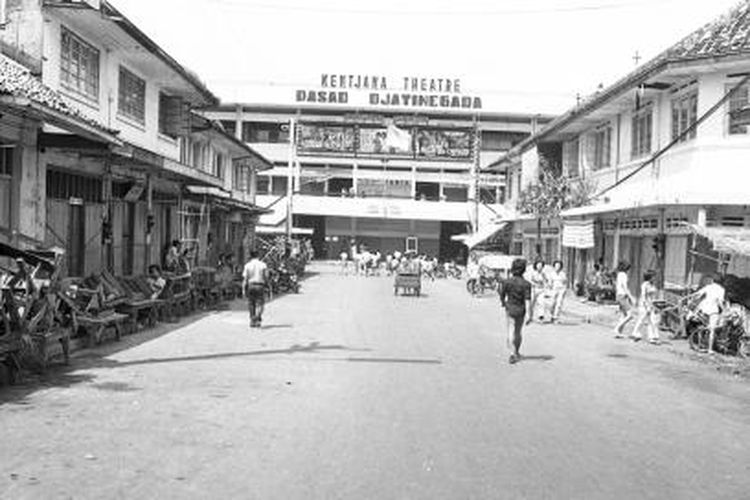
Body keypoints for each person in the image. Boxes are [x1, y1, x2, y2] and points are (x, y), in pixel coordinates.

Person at [499, 258, 532, 364]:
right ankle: (516, 352)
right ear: (524, 270)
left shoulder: (506, 282)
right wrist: (529, 315)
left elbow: (502, 294)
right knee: (518, 331)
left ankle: (512, 353)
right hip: (521, 309)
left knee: (510, 329)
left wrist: (503, 302)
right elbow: (528, 300)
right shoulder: (526, 284)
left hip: (510, 308)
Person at [695, 274, 726, 354]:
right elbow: (720, 302)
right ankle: (710, 349)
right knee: (712, 330)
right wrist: (724, 310)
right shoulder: (721, 290)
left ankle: (700, 345)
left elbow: (698, 294)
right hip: (713, 310)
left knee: (703, 327)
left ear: (713, 280)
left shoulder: (708, 287)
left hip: (704, 309)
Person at [631, 270, 660, 344]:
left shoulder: (652, 285)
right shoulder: (645, 285)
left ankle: (651, 337)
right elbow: (643, 296)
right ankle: (635, 333)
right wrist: (646, 306)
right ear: (649, 277)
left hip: (651, 305)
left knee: (652, 321)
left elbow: (653, 296)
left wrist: (654, 305)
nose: (655, 278)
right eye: (653, 276)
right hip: (644, 305)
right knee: (642, 319)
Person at [242, 249, 269, 328]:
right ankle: (257, 317)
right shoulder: (263, 265)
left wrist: (243, 289)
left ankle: (252, 320)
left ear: (250, 256)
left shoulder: (247, 265)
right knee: (260, 303)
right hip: (260, 285)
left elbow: (245, 278)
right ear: (258, 255)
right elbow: (266, 276)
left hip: (251, 285)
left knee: (251, 303)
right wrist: (268, 284)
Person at [613, 261, 637, 338]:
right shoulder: (623, 275)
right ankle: (617, 328)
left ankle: (619, 332)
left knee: (624, 315)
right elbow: (625, 287)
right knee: (630, 315)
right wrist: (631, 297)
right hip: (622, 296)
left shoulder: (619, 274)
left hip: (619, 295)